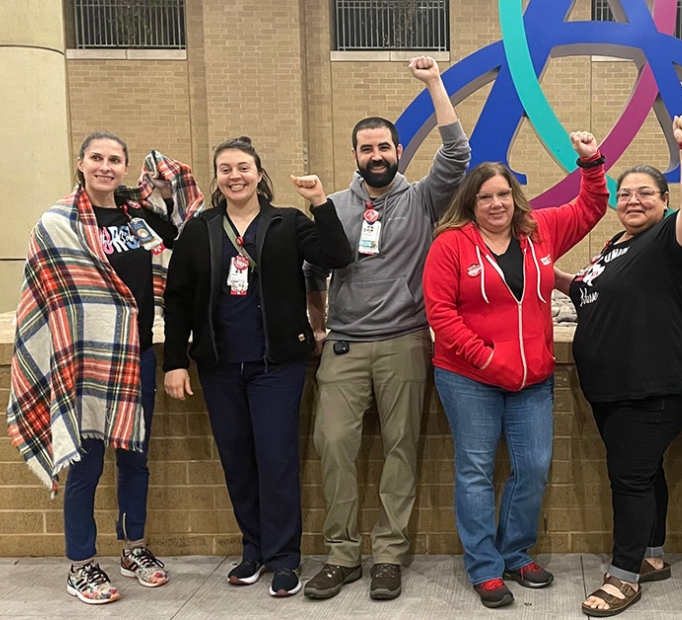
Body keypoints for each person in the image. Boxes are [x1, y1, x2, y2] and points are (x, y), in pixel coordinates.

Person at [302, 55, 471, 601]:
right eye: (366, 148)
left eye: (384, 147)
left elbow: (457, 153)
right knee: (333, 446)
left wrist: (434, 83)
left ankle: (390, 555)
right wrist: (320, 326)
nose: (376, 156)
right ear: (355, 155)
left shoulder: (421, 198)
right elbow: (313, 273)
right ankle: (342, 554)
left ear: (398, 151)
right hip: (345, 347)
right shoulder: (331, 206)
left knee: (402, 447)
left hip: (403, 342)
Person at [423, 132, 609, 608]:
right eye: (485, 197)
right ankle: (484, 567)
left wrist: (590, 162)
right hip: (469, 378)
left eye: (503, 193)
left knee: (533, 467)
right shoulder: (450, 245)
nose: (496, 203)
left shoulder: (539, 230)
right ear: (471, 202)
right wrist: (485, 357)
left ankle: (515, 551)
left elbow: (590, 208)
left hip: (532, 381)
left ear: (515, 196)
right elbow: (440, 313)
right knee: (475, 470)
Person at [162, 137, 353, 598]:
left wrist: (321, 203)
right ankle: (254, 549)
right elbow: (178, 299)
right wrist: (175, 363)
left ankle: (285, 558)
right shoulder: (200, 229)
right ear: (217, 177)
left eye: (243, 167)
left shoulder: (287, 222)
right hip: (220, 366)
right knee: (238, 462)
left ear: (259, 173)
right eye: (225, 169)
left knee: (277, 461)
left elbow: (337, 256)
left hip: (276, 366)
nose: (235, 176)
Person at [8, 132, 189, 604]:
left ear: (125, 167)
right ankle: (82, 564)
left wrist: (164, 185)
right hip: (84, 360)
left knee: (134, 460)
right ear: (81, 163)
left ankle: (133, 548)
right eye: (97, 158)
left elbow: (179, 232)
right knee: (85, 465)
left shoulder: (136, 217)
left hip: (137, 355)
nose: (105, 166)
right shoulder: (57, 222)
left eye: (115, 159)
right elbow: (43, 293)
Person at [551, 115, 682, 617]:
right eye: (626, 194)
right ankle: (653, 556)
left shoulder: (669, 242)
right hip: (614, 387)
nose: (633, 200)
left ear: (664, 202)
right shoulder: (616, 246)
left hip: (653, 386)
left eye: (646, 193)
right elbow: (585, 289)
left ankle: (623, 576)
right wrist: (538, 270)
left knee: (630, 478)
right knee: (645, 473)